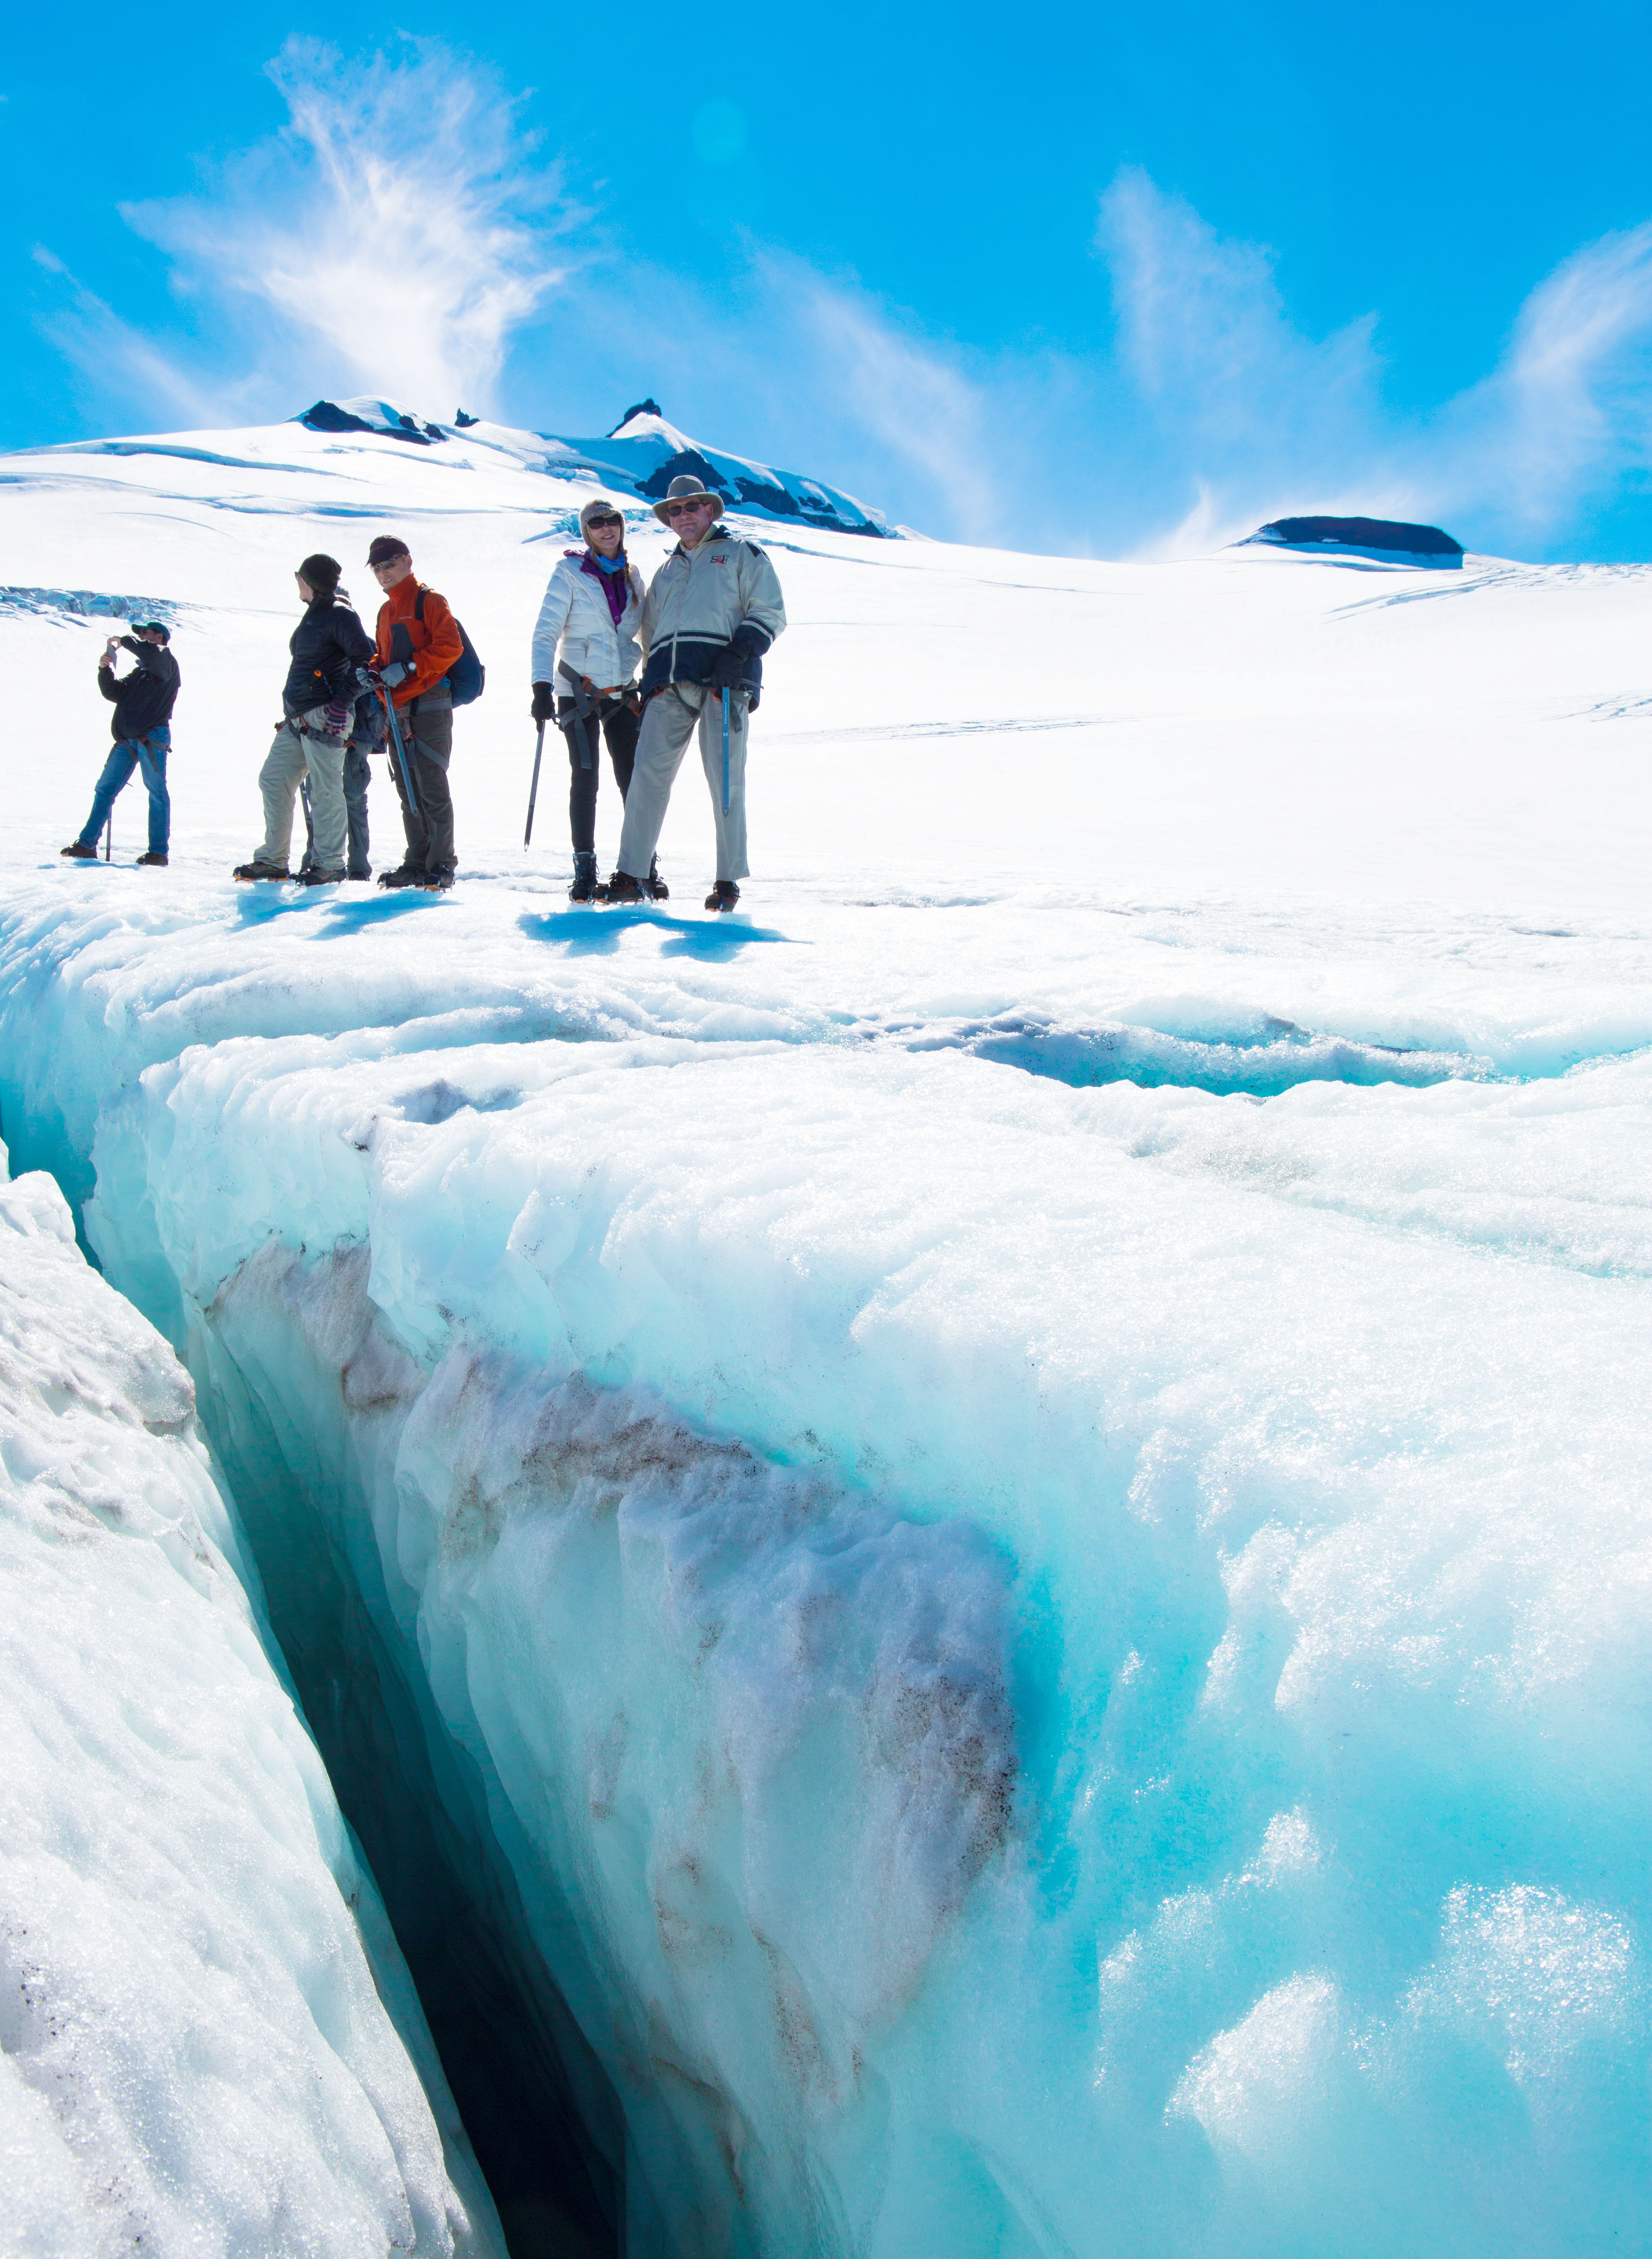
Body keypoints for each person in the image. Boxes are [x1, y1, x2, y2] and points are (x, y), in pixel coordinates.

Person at [600, 475, 785, 911]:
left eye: (692, 507)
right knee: (646, 774)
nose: (683, 515)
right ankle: (632, 873)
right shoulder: (666, 572)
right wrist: (648, 681)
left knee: (724, 780)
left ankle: (727, 881)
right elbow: (651, 634)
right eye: (675, 510)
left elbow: (769, 610)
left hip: (724, 681)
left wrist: (738, 655)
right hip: (668, 684)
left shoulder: (741, 553)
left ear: (709, 510)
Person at [530, 498, 661, 902]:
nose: (606, 529)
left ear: (622, 528)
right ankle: (584, 871)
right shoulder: (569, 573)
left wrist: (653, 679)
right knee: (585, 780)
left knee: (633, 782)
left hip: (623, 693)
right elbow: (545, 632)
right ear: (586, 532)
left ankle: (642, 868)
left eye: (612, 522)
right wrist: (540, 687)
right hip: (577, 693)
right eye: (596, 523)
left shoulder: (633, 577)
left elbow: (645, 636)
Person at [235, 554, 374, 885]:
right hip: (298, 718)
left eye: (299, 576)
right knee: (273, 779)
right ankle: (272, 860)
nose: (296, 580)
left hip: (327, 715)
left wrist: (342, 703)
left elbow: (366, 662)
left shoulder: (340, 614)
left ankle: (329, 865)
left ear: (308, 580)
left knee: (325, 789)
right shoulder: (317, 614)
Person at [367, 535, 464, 892]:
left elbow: (450, 647)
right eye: (376, 568)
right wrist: (375, 669)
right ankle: (417, 861)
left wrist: (408, 668)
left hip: (430, 705)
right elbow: (383, 655)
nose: (382, 573)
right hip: (398, 709)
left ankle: (441, 864)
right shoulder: (386, 610)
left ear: (407, 561)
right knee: (408, 788)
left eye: (388, 564)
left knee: (430, 784)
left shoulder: (429, 601)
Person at [61, 622, 180, 866]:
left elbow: (150, 653)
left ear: (160, 637)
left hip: (152, 738)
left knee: (156, 792)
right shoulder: (142, 672)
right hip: (130, 740)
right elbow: (115, 693)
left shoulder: (167, 662)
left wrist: (126, 641)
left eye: (146, 633)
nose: (142, 637)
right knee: (105, 789)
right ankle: (86, 845)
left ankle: (158, 852)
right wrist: (105, 670)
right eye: (140, 634)